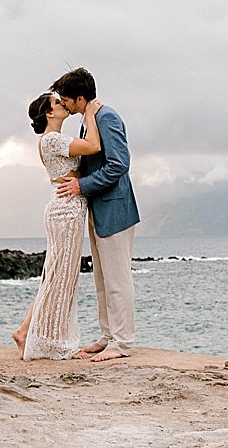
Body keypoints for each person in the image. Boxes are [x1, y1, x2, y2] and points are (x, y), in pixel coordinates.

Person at [51, 68, 140, 361]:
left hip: (114, 208)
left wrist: (81, 185)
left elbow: (119, 165)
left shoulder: (107, 117)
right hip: (97, 208)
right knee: (102, 278)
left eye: (66, 100)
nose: (63, 105)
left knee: (117, 279)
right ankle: (108, 335)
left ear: (80, 98)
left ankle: (122, 343)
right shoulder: (89, 120)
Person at [12, 92, 104, 360]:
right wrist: (90, 113)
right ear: (49, 113)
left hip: (65, 207)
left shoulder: (54, 140)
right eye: (56, 102)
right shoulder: (52, 140)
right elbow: (93, 146)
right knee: (61, 275)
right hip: (65, 210)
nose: (62, 104)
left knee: (54, 273)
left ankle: (25, 330)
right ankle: (58, 342)